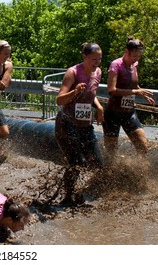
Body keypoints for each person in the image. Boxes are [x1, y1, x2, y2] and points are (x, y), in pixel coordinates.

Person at [55, 42, 104, 204]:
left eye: (99, 59)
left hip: (85, 125)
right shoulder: (73, 72)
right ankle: (68, 196)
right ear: (84, 57)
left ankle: (86, 193)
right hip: (67, 123)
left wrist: (98, 107)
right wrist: (75, 92)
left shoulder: (98, 72)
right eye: (93, 59)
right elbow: (59, 100)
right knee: (77, 162)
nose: (96, 62)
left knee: (98, 162)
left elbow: (91, 93)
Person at [103, 37, 156, 164]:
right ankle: (107, 175)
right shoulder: (116, 65)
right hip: (113, 113)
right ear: (126, 51)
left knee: (143, 146)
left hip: (129, 113)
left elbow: (132, 86)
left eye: (139, 56)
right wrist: (136, 92)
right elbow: (111, 90)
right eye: (134, 56)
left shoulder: (134, 65)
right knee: (111, 151)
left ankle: (136, 173)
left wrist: (142, 94)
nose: (136, 59)